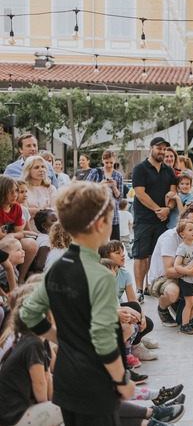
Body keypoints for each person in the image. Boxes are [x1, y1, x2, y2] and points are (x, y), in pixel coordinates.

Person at [19, 181, 136, 425]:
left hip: (65, 380)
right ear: (99, 224)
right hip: (96, 382)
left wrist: (60, 339)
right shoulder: (101, 274)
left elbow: (29, 313)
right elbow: (103, 338)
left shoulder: (57, 265)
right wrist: (122, 380)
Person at [147, 206, 193, 327]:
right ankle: (163, 307)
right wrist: (188, 271)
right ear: (182, 222)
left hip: (187, 275)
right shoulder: (170, 237)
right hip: (163, 278)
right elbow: (169, 272)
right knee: (173, 292)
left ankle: (183, 303)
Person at [0, 285, 64, 426]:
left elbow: (47, 378)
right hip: (14, 416)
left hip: (22, 411)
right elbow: (39, 384)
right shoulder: (32, 344)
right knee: (69, 408)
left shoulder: (37, 341)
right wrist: (47, 407)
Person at [131, 137, 177, 304]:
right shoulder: (140, 169)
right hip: (143, 219)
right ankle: (138, 290)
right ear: (151, 148)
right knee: (141, 255)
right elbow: (140, 194)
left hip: (163, 220)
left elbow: (173, 193)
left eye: (165, 149)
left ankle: (151, 285)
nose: (162, 152)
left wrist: (168, 209)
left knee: (157, 255)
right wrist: (158, 209)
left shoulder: (169, 170)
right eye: (159, 148)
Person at [99, 240, 158, 361]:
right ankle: (136, 346)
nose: (123, 255)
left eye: (123, 252)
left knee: (148, 323)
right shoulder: (101, 275)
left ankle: (135, 340)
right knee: (133, 309)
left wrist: (141, 317)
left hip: (120, 306)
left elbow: (133, 299)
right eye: (117, 252)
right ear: (105, 257)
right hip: (112, 309)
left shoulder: (124, 273)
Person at [0, 175, 38, 282]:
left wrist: (12, 235)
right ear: (2, 191)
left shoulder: (16, 207)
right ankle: (5, 279)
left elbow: (19, 233)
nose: (15, 195)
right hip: (3, 241)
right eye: (11, 192)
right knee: (12, 247)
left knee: (31, 244)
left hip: (12, 238)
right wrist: (12, 236)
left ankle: (21, 278)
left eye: (16, 191)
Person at [173, 219, 193, 335]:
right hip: (187, 281)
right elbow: (176, 265)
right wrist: (186, 271)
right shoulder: (182, 248)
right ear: (182, 234)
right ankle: (184, 325)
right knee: (189, 303)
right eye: (190, 230)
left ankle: (189, 322)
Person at [86, 150, 124, 241]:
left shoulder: (118, 175)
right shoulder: (95, 172)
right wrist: (100, 185)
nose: (109, 165)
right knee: (98, 244)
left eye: (111, 162)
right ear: (103, 160)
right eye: (107, 162)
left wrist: (114, 187)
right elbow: (85, 190)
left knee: (114, 243)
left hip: (113, 215)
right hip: (97, 213)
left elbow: (120, 197)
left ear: (114, 161)